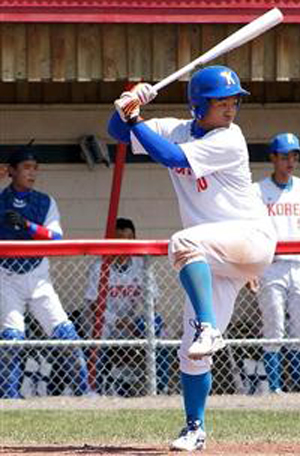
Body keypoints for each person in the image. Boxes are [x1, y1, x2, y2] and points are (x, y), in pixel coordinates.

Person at [107, 65, 277, 452]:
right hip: (215, 254)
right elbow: (117, 134)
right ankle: (195, 428)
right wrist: (128, 105)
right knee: (191, 353)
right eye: (222, 102)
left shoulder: (230, 139)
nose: (231, 108)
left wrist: (135, 118)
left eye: (234, 101)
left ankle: (208, 326)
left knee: (182, 243)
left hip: (249, 238)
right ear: (198, 105)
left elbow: (168, 156)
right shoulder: (175, 127)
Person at [0, 146, 90, 398]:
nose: (32, 173)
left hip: (38, 275)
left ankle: (85, 392)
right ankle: (9, 398)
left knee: (65, 334)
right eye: (26, 168)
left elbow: (56, 237)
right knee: (12, 339)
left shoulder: (45, 201)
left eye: (35, 168)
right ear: (12, 171)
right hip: (6, 275)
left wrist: (27, 226)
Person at [251, 133, 300, 393]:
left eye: (294, 156)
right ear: (273, 157)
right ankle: (274, 389)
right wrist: (250, 268)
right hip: (270, 266)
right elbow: (249, 232)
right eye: (284, 156)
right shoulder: (257, 190)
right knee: (273, 326)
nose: (290, 161)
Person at [83, 217, 165, 396]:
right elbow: (93, 306)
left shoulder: (142, 264)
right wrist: (119, 321)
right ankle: (93, 387)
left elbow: (153, 301)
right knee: (100, 330)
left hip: (131, 323)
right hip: (107, 323)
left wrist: (137, 321)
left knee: (157, 323)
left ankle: (160, 385)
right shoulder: (99, 266)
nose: (125, 243)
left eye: (129, 238)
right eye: (120, 238)